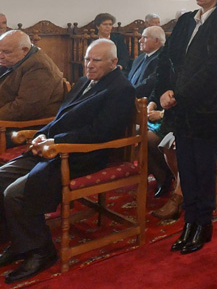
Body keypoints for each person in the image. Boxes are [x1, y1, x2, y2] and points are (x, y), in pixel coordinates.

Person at [0, 39, 135, 283]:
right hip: (55, 147)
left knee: (16, 193)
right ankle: (19, 243)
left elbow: (100, 132)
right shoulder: (84, 81)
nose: (88, 65)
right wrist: (42, 134)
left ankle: (42, 251)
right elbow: (61, 118)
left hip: (83, 155)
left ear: (113, 62)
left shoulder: (121, 88)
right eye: (86, 59)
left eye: (96, 60)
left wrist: (55, 141)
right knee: (1, 177)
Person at [153, 0, 217, 255]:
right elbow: (167, 59)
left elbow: (215, 68)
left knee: (203, 170)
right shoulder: (187, 20)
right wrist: (164, 91)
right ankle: (189, 222)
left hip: (205, 109)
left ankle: (203, 223)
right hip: (180, 110)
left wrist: (179, 95)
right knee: (186, 171)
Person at [128, 26, 172, 198]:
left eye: (144, 37)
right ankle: (158, 173)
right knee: (138, 134)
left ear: (157, 41)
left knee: (145, 138)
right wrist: (151, 104)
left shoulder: (162, 59)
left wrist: (158, 112)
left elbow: (150, 84)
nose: (140, 40)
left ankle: (164, 175)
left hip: (166, 113)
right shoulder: (140, 58)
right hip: (146, 106)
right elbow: (154, 90)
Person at [0, 30, 64, 122]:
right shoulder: (14, 59)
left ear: (24, 50)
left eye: (6, 52)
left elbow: (24, 108)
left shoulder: (39, 66)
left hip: (26, 124)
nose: (1, 56)